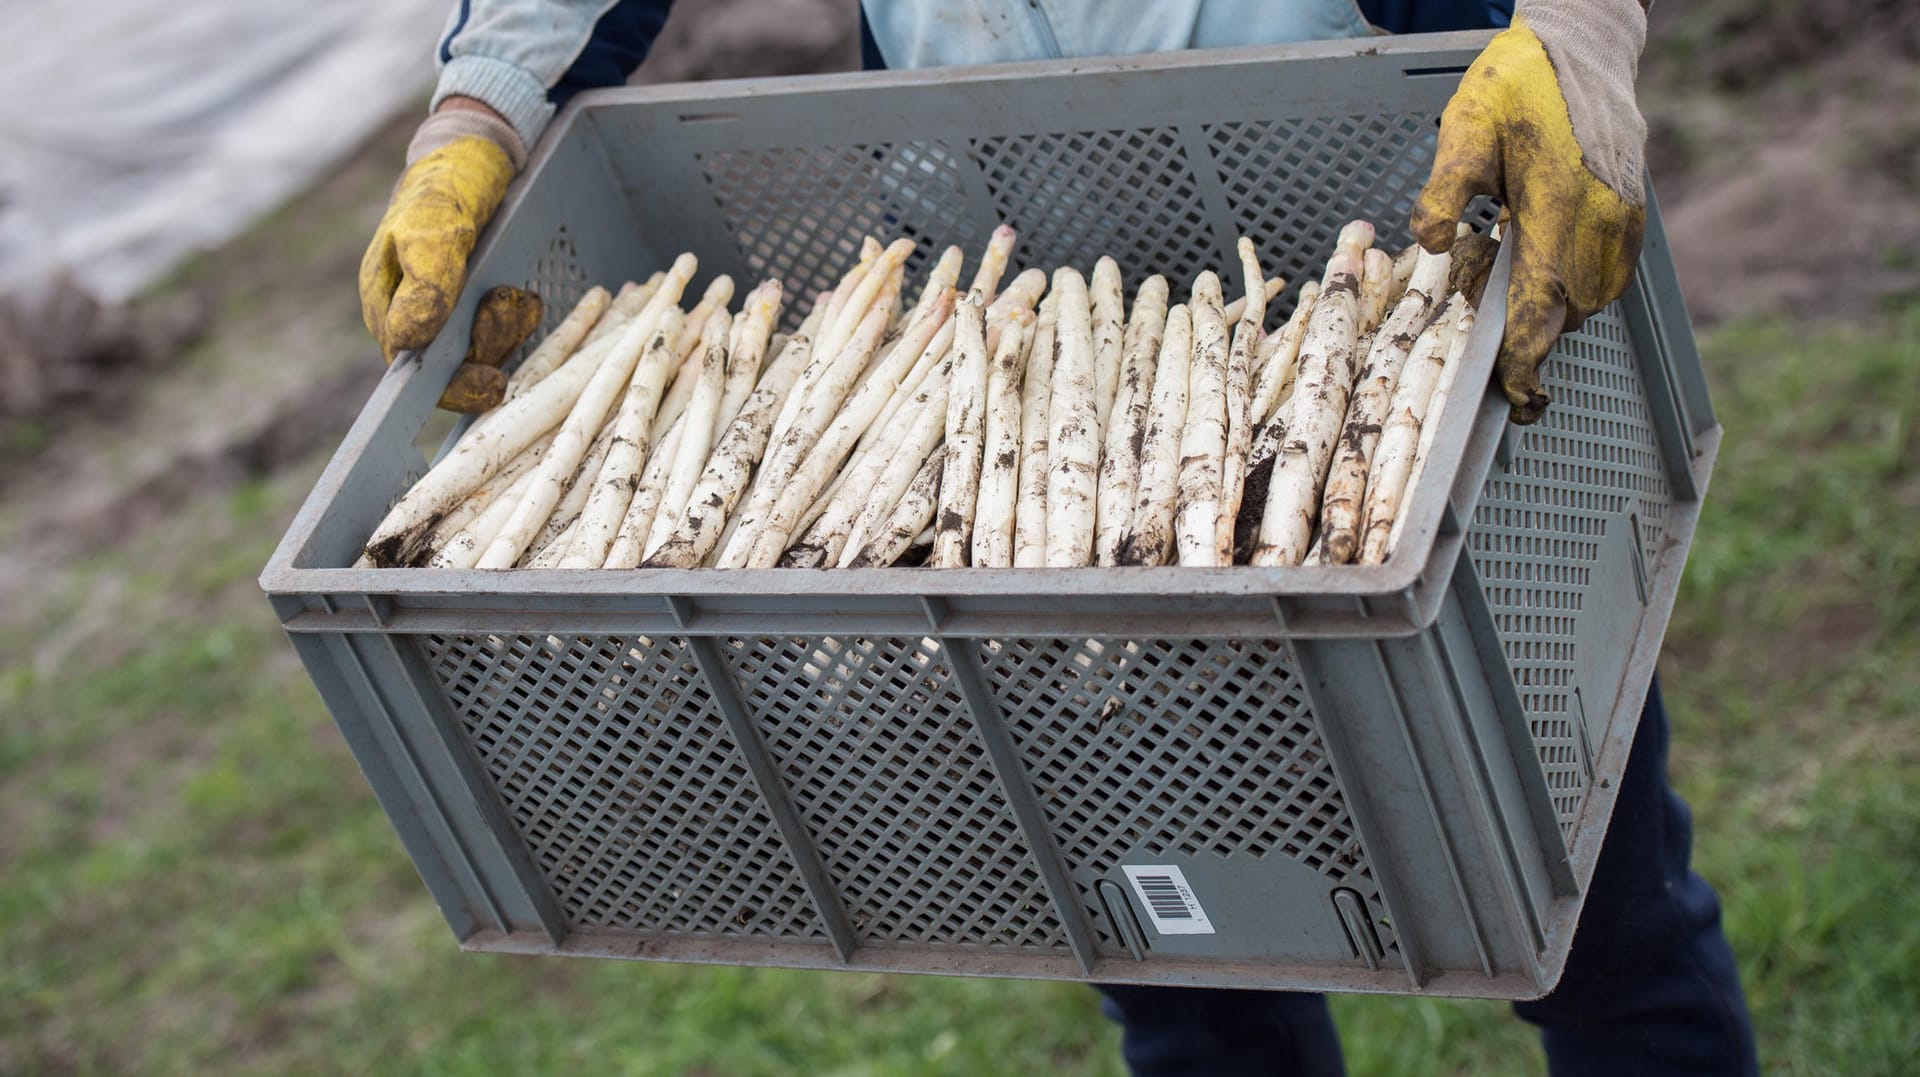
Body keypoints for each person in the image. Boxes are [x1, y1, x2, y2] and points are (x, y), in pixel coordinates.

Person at [359, 3, 1761, 1073]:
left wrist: (1573, 32)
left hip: (1391, 278)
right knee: (1182, 956)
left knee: (1584, 908)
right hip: (1003, 329)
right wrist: (478, 110)